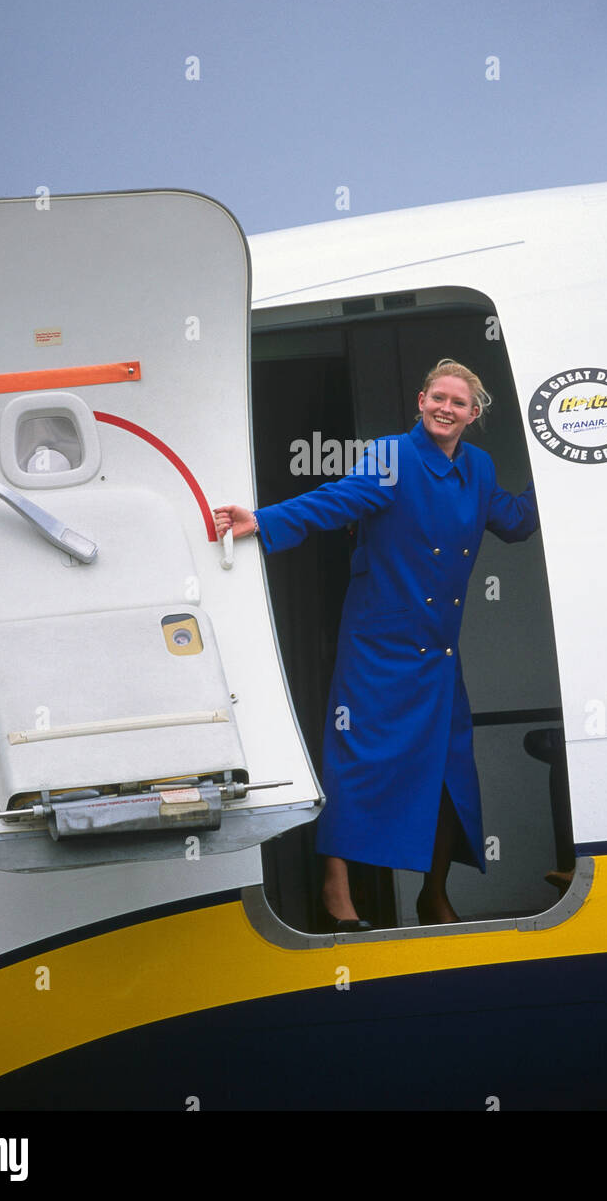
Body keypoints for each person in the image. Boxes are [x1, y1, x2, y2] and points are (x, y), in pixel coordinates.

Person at [214, 359, 538, 930]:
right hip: (378, 649)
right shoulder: (393, 455)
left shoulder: (481, 469)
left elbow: (513, 521)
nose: (446, 408)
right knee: (358, 765)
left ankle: (432, 893)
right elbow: (338, 499)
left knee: (446, 773)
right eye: (438, 397)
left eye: (458, 403)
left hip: (437, 656)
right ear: (420, 400)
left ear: (474, 414)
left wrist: (564, 473)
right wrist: (263, 521)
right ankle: (336, 891)